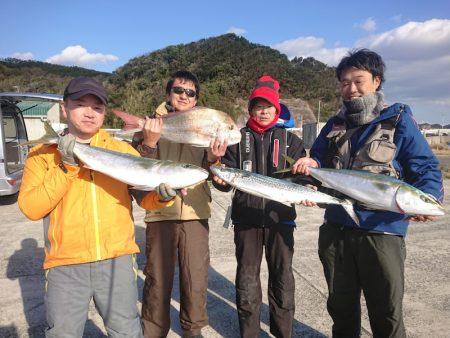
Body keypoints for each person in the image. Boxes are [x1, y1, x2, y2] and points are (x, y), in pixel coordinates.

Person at [292, 49, 444, 338]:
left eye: (358, 81)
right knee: (341, 307)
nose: (351, 89)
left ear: (376, 81)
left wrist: (428, 198)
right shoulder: (336, 125)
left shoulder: (398, 121)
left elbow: (425, 168)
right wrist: (311, 168)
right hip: (336, 229)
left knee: (386, 310)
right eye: (345, 83)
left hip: (382, 232)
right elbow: (320, 161)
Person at [18, 77, 180, 338]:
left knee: (127, 331)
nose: (89, 113)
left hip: (117, 259)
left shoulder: (122, 150)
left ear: (104, 112)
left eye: (97, 107)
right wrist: (66, 168)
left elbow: (143, 196)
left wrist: (162, 197)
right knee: (62, 334)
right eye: (81, 104)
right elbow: (31, 208)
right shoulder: (42, 154)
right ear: (64, 107)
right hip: (65, 264)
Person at [212, 75, 310, 338]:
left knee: (282, 280)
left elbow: (303, 176)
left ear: (277, 109)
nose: (263, 111)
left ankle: (283, 333)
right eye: (258, 106)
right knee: (247, 282)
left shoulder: (290, 140)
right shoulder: (236, 139)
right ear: (250, 110)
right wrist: (219, 178)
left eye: (269, 106)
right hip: (246, 221)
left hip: (281, 220)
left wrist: (308, 187)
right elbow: (225, 183)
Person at [132, 70, 227, 338]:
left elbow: (214, 172)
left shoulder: (207, 125)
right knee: (157, 277)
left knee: (195, 277)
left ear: (196, 100)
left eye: (190, 93)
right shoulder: (152, 124)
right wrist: (149, 143)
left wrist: (214, 158)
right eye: (178, 90)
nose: (184, 96)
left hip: (196, 211)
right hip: (160, 210)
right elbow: (136, 166)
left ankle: (192, 329)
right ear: (168, 94)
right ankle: (154, 330)